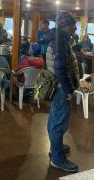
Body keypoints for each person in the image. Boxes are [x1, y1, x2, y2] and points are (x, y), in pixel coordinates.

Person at [46, 11, 79, 172]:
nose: (75, 28)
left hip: (56, 86)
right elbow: (61, 68)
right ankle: (58, 159)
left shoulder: (56, 38)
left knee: (54, 118)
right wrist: (69, 90)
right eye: (74, 24)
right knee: (58, 123)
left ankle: (55, 147)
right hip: (60, 88)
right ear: (67, 25)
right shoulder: (61, 41)